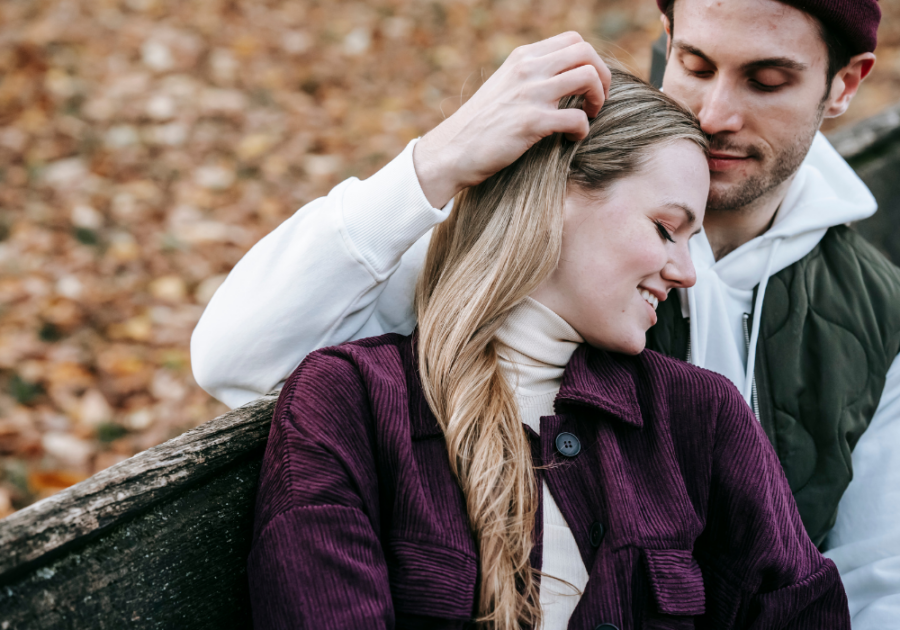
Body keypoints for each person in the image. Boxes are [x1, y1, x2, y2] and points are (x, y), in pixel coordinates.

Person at [193, 0, 900, 623]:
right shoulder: (549, 228)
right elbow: (236, 357)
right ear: (666, 35)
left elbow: (873, 584)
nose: (714, 114)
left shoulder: (869, 318)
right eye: (692, 62)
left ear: (845, 84)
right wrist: (439, 158)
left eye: (768, 80)